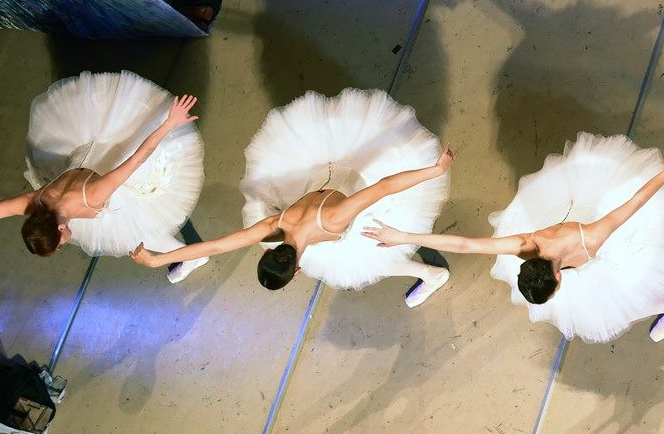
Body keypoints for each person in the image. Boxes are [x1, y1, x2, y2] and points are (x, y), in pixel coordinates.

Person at [131, 89, 449, 305]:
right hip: (325, 182)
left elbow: (383, 187)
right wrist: (156, 259)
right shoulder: (272, 225)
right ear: (269, 252)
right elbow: (214, 246)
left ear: (296, 271)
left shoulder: (333, 220)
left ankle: (433, 275)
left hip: (348, 193)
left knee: (367, 259)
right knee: (359, 260)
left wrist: (434, 171)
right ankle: (430, 274)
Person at [370, 137, 664, 342]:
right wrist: (402, 236)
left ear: (557, 278)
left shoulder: (587, 237)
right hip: (577, 249)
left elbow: (636, 201)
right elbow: (465, 245)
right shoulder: (522, 246)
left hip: (603, 246)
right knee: (608, 305)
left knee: (619, 302)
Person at [0, 75, 205, 280]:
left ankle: (194, 256)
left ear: (61, 229)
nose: (65, 245)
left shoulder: (93, 196)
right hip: (89, 165)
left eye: (61, 245)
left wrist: (169, 123)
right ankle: (187, 255)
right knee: (130, 231)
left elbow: (136, 160)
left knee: (134, 227)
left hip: (107, 176)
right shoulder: (33, 202)